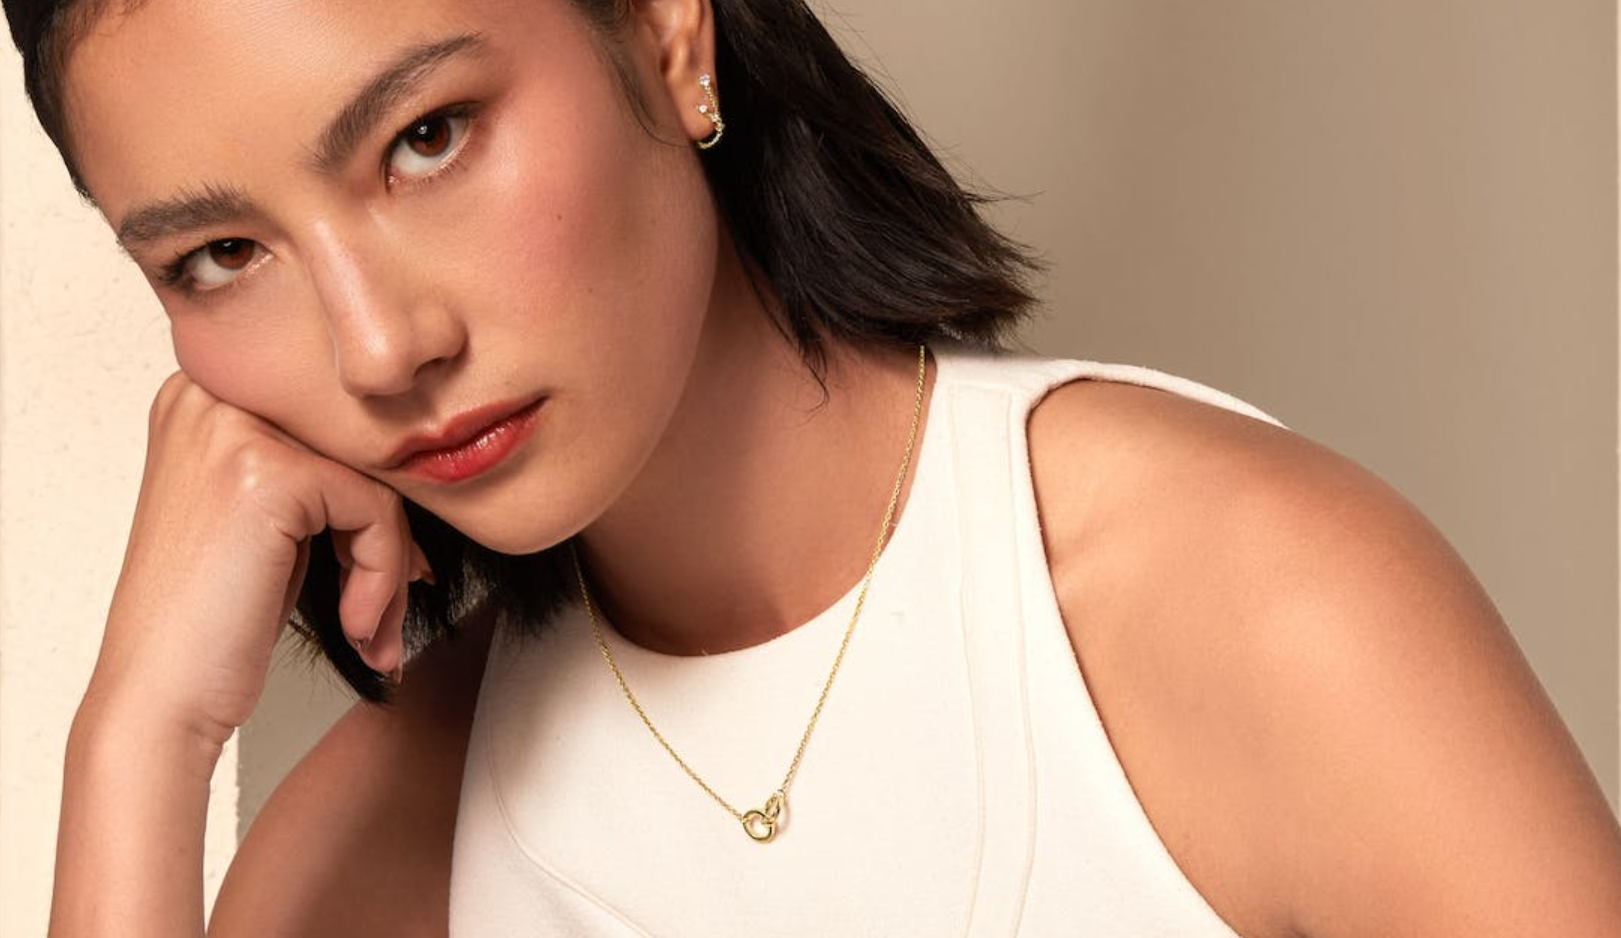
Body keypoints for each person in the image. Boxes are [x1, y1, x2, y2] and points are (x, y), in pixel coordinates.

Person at [7, 0, 1619, 935]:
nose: (377, 345)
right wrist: (136, 745)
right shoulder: (371, 851)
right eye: (220, 253)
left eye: (426, 136)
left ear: (665, 37)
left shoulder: (1246, 603)